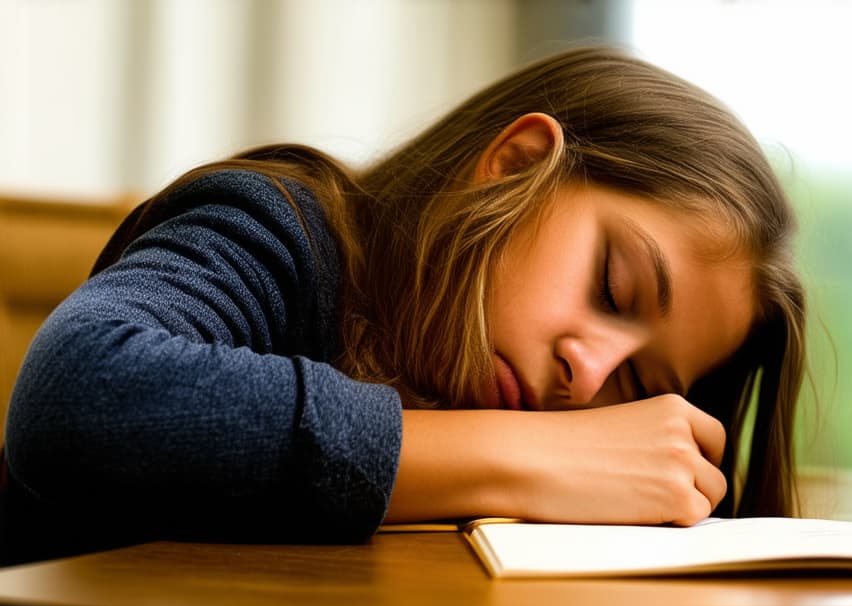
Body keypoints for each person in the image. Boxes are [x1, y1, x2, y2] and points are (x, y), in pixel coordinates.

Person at [0, 45, 807, 567]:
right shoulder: (281, 228)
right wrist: (511, 454)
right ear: (516, 164)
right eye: (612, 288)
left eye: (636, 384)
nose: (588, 372)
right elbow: (78, 396)